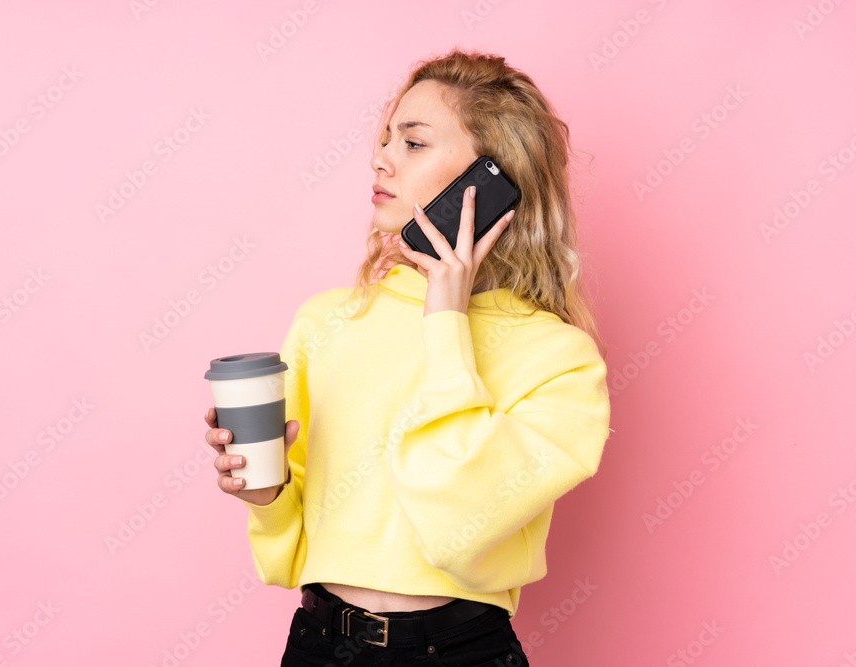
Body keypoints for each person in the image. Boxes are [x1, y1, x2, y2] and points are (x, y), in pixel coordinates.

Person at [204, 47, 611, 666]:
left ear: (491, 178)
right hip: (322, 646)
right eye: (386, 137)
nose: (381, 158)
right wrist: (267, 494)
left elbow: (458, 520)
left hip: (462, 652)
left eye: (414, 143)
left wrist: (446, 320)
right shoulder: (330, 321)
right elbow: (299, 534)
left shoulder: (561, 360)